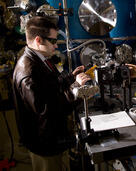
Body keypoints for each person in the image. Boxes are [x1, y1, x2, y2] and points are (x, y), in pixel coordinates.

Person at [12, 16, 90, 171]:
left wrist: (71, 77)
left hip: (54, 138)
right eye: (53, 41)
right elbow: (45, 108)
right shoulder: (28, 71)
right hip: (44, 144)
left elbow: (49, 85)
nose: (56, 46)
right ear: (39, 40)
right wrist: (75, 88)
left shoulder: (38, 59)